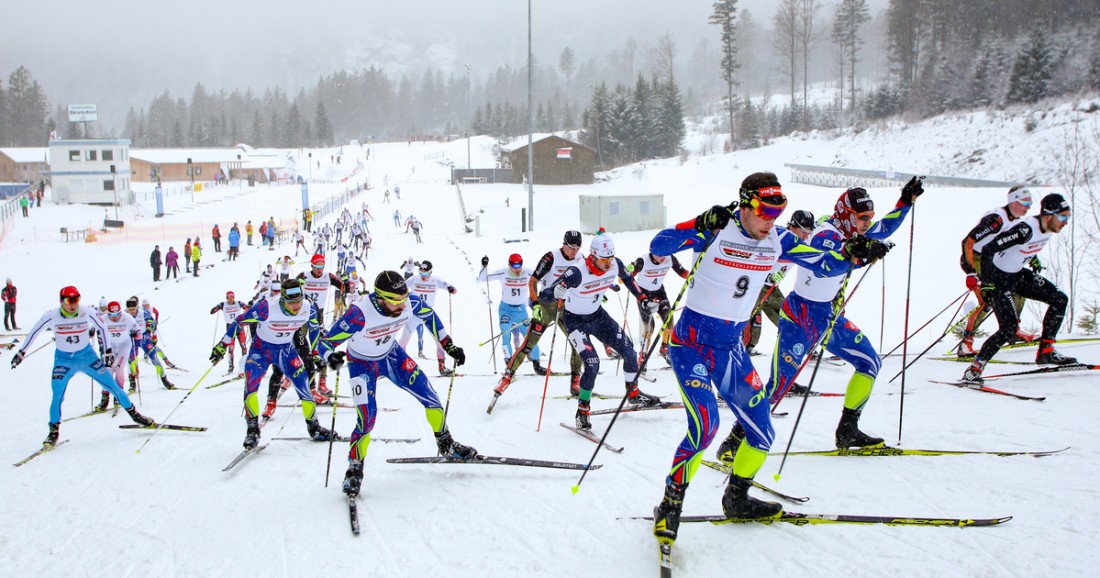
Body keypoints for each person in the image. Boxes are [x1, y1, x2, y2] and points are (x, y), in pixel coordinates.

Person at [648, 172, 874, 543]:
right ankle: (669, 507)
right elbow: (660, 243)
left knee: (762, 431)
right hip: (690, 343)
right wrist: (698, 223)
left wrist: (853, 255)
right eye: (765, 211)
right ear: (745, 204)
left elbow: (824, 264)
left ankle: (737, 498)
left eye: (777, 211)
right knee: (705, 428)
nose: (771, 220)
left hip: (731, 349)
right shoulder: (717, 228)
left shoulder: (778, 238)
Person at [319, 271, 475, 498]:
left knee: (430, 396)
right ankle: (354, 469)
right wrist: (329, 358)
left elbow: (430, 316)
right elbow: (325, 343)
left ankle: (446, 443)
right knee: (367, 418)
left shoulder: (408, 303)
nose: (402, 306)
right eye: (395, 302)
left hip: (392, 356)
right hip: (362, 364)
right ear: (380, 298)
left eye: (404, 299)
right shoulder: (359, 314)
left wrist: (448, 345)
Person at [11, 286, 154, 446]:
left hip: (87, 358)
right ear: (61, 301)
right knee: (57, 395)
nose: (73, 304)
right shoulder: (52, 315)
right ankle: (53, 431)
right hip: (64, 360)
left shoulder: (86, 312)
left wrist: (107, 351)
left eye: (76, 299)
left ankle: (135, 415)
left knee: (113, 386)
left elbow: (102, 328)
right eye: (69, 300)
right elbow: (34, 331)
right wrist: (21, 353)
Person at [545, 232, 657, 430]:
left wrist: (644, 300)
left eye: (611, 258)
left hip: (597, 316)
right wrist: (554, 292)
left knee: (630, 352)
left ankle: (632, 393)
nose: (608, 263)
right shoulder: (577, 272)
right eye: (604, 259)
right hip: (575, 321)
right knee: (592, 364)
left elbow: (629, 280)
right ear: (593, 256)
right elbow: (544, 294)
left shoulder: (615, 264)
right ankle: (582, 410)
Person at [209, 278, 337, 449]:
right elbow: (240, 321)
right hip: (261, 350)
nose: (296, 306)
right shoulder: (267, 307)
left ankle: (314, 427)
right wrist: (222, 345)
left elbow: (314, 330)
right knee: (251, 386)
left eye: (298, 301)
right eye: (291, 303)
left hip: (285, 350)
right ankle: (253, 430)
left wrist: (314, 353)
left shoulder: (308, 308)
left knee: (304, 386)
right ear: (283, 299)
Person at [962, 193, 1077, 383]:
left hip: (1017, 275)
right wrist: (988, 283)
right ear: (1048, 215)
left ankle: (1046, 351)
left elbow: (1021, 250)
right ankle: (974, 369)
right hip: (999, 279)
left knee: (1059, 299)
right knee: (1008, 328)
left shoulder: (1048, 228)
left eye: (1068, 217)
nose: (1065, 222)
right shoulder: (1025, 229)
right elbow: (990, 249)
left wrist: (1033, 259)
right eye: (1063, 217)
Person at [493, 231, 585, 399]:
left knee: (577, 343)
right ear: (564, 244)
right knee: (529, 344)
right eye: (571, 247)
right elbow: (533, 280)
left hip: (567, 307)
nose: (574, 251)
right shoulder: (551, 257)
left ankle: (575, 381)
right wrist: (535, 303)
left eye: (578, 247)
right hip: (546, 305)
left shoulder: (580, 258)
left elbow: (584, 279)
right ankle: (507, 377)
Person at [956, 186, 1036, 356]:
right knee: (986, 299)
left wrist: (1032, 257)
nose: (1028, 206)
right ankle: (966, 343)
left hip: (994, 259)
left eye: (1030, 202)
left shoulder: (1018, 221)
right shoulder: (996, 219)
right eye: (1025, 202)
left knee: (1018, 287)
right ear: (1013, 202)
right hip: (975, 258)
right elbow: (967, 241)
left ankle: (1012, 329)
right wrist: (971, 271)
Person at [742, 209, 815, 356]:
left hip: (772, 288)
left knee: (789, 317)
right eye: (804, 231)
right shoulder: (778, 236)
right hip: (756, 286)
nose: (806, 235)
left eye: (809, 231)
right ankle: (743, 347)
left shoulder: (803, 242)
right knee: (750, 317)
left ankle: (799, 348)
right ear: (793, 226)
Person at [478, 253, 544, 374]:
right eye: (514, 266)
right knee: (506, 336)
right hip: (506, 310)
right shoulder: (503, 272)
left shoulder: (528, 272)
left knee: (532, 338)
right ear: (509, 265)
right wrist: (484, 266)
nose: (517, 269)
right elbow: (483, 278)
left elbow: (544, 281)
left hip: (521, 311)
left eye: (519, 265)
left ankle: (537, 365)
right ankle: (509, 366)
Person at [628, 251, 689, 369]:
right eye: (660, 255)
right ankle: (643, 356)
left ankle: (664, 349)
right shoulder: (642, 260)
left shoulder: (670, 258)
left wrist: (693, 276)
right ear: (653, 253)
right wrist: (629, 270)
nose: (663, 258)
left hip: (659, 292)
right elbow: (626, 278)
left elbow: (682, 272)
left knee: (670, 325)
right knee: (649, 329)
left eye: (665, 255)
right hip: (643, 295)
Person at [398, 261, 457, 376]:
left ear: (430, 272)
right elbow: (401, 288)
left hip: (428, 315)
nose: (422, 276)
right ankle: (399, 366)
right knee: (404, 340)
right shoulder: (414, 279)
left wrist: (451, 289)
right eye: (421, 272)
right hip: (414, 315)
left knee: (440, 341)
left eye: (425, 274)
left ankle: (442, 368)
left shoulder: (436, 280)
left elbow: (454, 290)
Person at [97, 301, 141, 411]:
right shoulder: (103, 318)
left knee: (119, 369)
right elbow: (94, 327)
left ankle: (118, 396)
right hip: (110, 347)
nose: (115, 317)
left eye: (117, 314)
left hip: (124, 346)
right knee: (108, 371)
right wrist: (92, 331)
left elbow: (138, 331)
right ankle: (105, 397)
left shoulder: (127, 317)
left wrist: (136, 335)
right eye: (112, 315)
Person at [134, 298, 176, 389]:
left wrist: (154, 334)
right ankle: (133, 378)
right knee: (133, 358)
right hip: (136, 339)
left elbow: (156, 316)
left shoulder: (146, 311)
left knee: (156, 351)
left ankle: (165, 360)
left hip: (146, 338)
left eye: (147, 305)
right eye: (144, 306)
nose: (146, 307)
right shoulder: (131, 313)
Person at [210, 291, 248, 374]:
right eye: (229, 298)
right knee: (231, 348)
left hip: (239, 326)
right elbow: (212, 311)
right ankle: (231, 366)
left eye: (232, 297)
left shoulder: (239, 303)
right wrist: (217, 308)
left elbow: (248, 308)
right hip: (230, 328)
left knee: (243, 346)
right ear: (226, 298)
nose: (231, 300)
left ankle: (246, 365)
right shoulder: (223, 304)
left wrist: (246, 312)